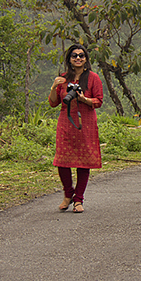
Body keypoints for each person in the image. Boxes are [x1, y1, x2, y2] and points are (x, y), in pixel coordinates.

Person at [48, 44, 103, 213]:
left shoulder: (93, 78)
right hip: (66, 122)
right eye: (74, 56)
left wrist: (83, 98)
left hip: (85, 122)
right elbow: (53, 103)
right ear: (69, 59)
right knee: (62, 161)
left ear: (86, 59)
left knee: (83, 162)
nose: (78, 58)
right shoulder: (63, 79)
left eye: (81, 55)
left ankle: (78, 199)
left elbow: (98, 101)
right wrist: (53, 87)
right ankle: (68, 194)